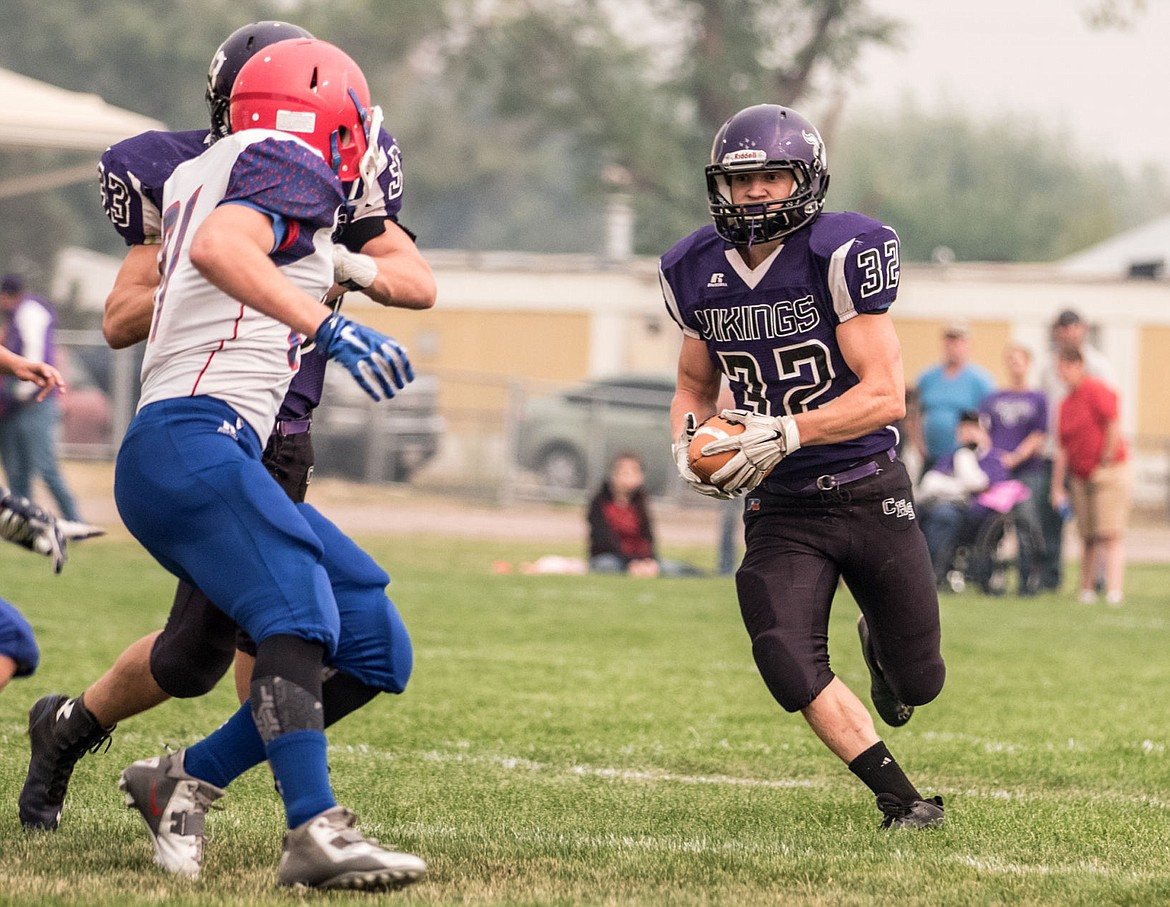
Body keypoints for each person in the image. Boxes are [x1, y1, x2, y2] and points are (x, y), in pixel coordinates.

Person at [19, 19, 435, 845]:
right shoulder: (259, 164)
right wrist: (323, 320)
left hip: (257, 437)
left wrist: (334, 265)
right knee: (267, 627)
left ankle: (183, 776)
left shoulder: (267, 172)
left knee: (372, 644)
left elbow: (411, 279)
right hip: (195, 432)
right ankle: (311, 827)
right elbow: (193, 263)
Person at [661, 103, 945, 829]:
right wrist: (687, 444)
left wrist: (785, 430)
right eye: (741, 178)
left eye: (772, 175)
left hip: (866, 485)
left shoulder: (843, 250)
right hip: (782, 505)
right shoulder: (692, 267)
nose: (755, 191)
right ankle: (901, 799)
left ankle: (883, 656)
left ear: (806, 178)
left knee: (922, 677)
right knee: (784, 653)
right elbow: (694, 385)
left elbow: (884, 396)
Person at [1035, 309, 1115, 592]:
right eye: (1063, 328)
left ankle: (1100, 578)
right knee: (1051, 519)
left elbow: (1110, 416)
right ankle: (1051, 577)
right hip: (1055, 452)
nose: (1069, 334)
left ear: (1083, 330)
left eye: (1074, 328)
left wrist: (1105, 457)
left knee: (1097, 524)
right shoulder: (1048, 366)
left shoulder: (1098, 365)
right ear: (1057, 331)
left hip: (1087, 456)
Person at [1050, 346, 1131, 606]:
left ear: (1077, 366)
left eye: (1065, 368)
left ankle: (1114, 589)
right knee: (1087, 535)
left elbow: (1113, 423)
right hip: (1080, 476)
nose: (1061, 374)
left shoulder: (1096, 390)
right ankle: (1086, 589)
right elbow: (1063, 448)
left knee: (1109, 533)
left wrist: (1105, 459)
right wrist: (1057, 487)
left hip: (1107, 473)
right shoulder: (1065, 404)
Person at [0, 274, 83, 522]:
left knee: (46, 468)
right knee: (16, 472)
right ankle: (27, 524)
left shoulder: (30, 312)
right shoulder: (15, 316)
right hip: (14, 406)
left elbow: (34, 355)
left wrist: (16, 391)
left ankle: (76, 523)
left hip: (36, 401)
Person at [915, 411, 1015, 590]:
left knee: (943, 516)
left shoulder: (993, 458)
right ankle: (918, 570)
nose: (966, 433)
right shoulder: (951, 456)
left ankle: (934, 573)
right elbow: (930, 482)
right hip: (945, 506)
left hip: (976, 516)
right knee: (917, 512)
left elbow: (988, 486)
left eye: (972, 428)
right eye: (963, 429)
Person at [979, 343, 1048, 584]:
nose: (1016, 366)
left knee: (1026, 524)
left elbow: (1039, 434)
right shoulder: (993, 399)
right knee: (994, 527)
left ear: (1028, 365)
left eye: (1020, 361)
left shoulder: (1038, 399)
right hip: (999, 473)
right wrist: (994, 457)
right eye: (1012, 361)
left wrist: (1016, 457)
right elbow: (983, 430)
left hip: (1027, 472)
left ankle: (1027, 580)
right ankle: (990, 578)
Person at [587, 451, 703, 577]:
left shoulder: (640, 502)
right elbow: (603, 540)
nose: (630, 477)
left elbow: (648, 538)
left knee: (678, 569)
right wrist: (631, 561)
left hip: (640, 559)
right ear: (614, 475)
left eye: (634, 472)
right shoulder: (600, 502)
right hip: (613, 557)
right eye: (625, 472)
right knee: (607, 566)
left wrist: (647, 561)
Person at [912, 321, 995, 472]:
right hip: (930, 456)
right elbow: (917, 413)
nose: (954, 346)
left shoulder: (980, 381)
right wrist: (918, 444)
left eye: (960, 341)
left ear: (969, 344)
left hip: (964, 459)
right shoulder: (927, 377)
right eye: (950, 340)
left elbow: (988, 421)